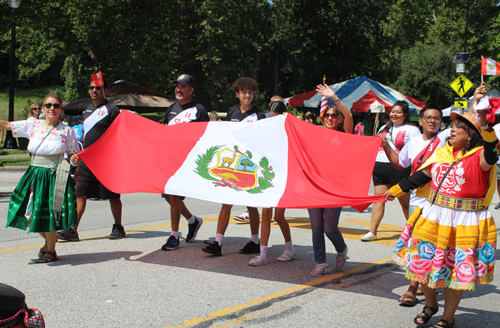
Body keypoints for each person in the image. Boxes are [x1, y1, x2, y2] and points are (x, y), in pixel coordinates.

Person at [385, 104, 497, 328]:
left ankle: (448, 316)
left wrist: (485, 125)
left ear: (471, 136)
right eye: (452, 125)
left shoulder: (480, 158)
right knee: (423, 263)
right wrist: (394, 191)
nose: (452, 130)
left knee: (454, 271)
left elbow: (493, 149)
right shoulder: (442, 153)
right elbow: (419, 177)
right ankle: (430, 304)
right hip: (434, 216)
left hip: (464, 221)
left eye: (459, 127)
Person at [381, 104, 452, 306]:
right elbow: (400, 163)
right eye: (428, 117)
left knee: (438, 243)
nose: (432, 121)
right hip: (418, 199)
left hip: (443, 200)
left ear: (441, 122)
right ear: (420, 121)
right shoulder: (413, 143)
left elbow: (467, 123)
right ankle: (413, 286)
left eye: (437, 118)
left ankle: (426, 282)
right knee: (417, 242)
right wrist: (385, 146)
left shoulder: (446, 138)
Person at [0, 93, 80, 263]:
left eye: (56, 106)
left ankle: (50, 250)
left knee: (48, 213)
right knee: (28, 212)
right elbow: (6, 124)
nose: (52, 108)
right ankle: (51, 241)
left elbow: (73, 155)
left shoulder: (67, 130)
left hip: (54, 175)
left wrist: (74, 159)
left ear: (60, 109)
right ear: (43, 107)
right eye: (48, 105)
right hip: (34, 173)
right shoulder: (32, 125)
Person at [56, 75, 125, 242]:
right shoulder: (87, 109)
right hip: (86, 159)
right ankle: (72, 230)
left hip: (107, 160)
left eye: (98, 87)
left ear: (104, 90)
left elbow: (119, 133)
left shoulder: (112, 109)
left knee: (113, 195)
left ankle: (118, 227)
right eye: (92, 88)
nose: (94, 90)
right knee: (80, 192)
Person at [203, 77, 266, 256]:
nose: (248, 95)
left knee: (252, 204)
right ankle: (217, 243)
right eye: (244, 92)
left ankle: (254, 241)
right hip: (232, 165)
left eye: (251, 92)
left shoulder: (259, 115)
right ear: (237, 93)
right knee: (226, 203)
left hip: (248, 165)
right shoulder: (231, 112)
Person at [308, 83, 353, 277]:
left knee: (329, 228)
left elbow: (350, 116)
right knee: (316, 228)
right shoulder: (316, 134)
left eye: (334, 115)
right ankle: (320, 262)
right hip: (315, 188)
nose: (329, 118)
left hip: (335, 188)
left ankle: (341, 249)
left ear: (339, 120)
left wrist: (334, 98)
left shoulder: (345, 136)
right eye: (327, 115)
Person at [160, 74, 209, 251]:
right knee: (168, 197)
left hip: (186, 161)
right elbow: (164, 132)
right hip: (169, 159)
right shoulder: (171, 108)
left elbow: (206, 137)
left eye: (183, 86)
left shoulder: (199, 109)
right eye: (177, 86)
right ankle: (192, 220)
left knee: (173, 196)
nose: (178, 89)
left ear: (191, 89)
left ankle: (174, 237)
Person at [360, 101, 421, 241]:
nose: (395, 114)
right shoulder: (383, 128)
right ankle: (373, 232)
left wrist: (414, 171)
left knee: (405, 203)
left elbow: (417, 151)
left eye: (398, 112)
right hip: (380, 168)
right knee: (378, 200)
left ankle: (414, 233)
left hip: (400, 170)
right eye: (393, 111)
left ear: (405, 115)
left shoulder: (412, 129)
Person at [249, 99, 295, 266]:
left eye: (275, 118)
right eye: (270, 117)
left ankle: (289, 248)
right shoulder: (265, 127)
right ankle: (262, 255)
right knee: (266, 215)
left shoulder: (288, 128)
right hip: (268, 175)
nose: (272, 120)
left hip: (283, 177)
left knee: (279, 216)